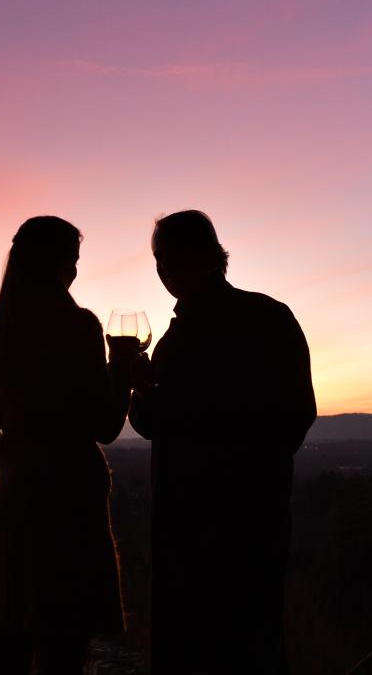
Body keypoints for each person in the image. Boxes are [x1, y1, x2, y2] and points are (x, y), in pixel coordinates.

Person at [129, 210, 316, 674]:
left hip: (191, 526)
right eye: (158, 259)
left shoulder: (181, 337)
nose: (162, 269)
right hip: (258, 519)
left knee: (191, 645)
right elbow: (297, 414)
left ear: (205, 257)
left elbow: (155, 421)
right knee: (254, 641)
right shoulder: (271, 317)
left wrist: (141, 392)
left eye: (168, 257)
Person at [0, 215, 134, 674]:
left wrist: (13, 468)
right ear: (55, 264)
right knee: (63, 648)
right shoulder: (77, 327)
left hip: (13, 502)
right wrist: (121, 373)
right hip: (72, 499)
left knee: (7, 645)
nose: (75, 272)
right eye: (72, 262)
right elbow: (104, 425)